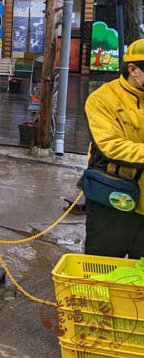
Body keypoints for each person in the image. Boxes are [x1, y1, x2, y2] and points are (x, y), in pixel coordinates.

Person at [84, 38, 144, 258]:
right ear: (133, 69)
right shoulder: (101, 99)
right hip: (112, 198)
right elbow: (112, 146)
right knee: (102, 269)